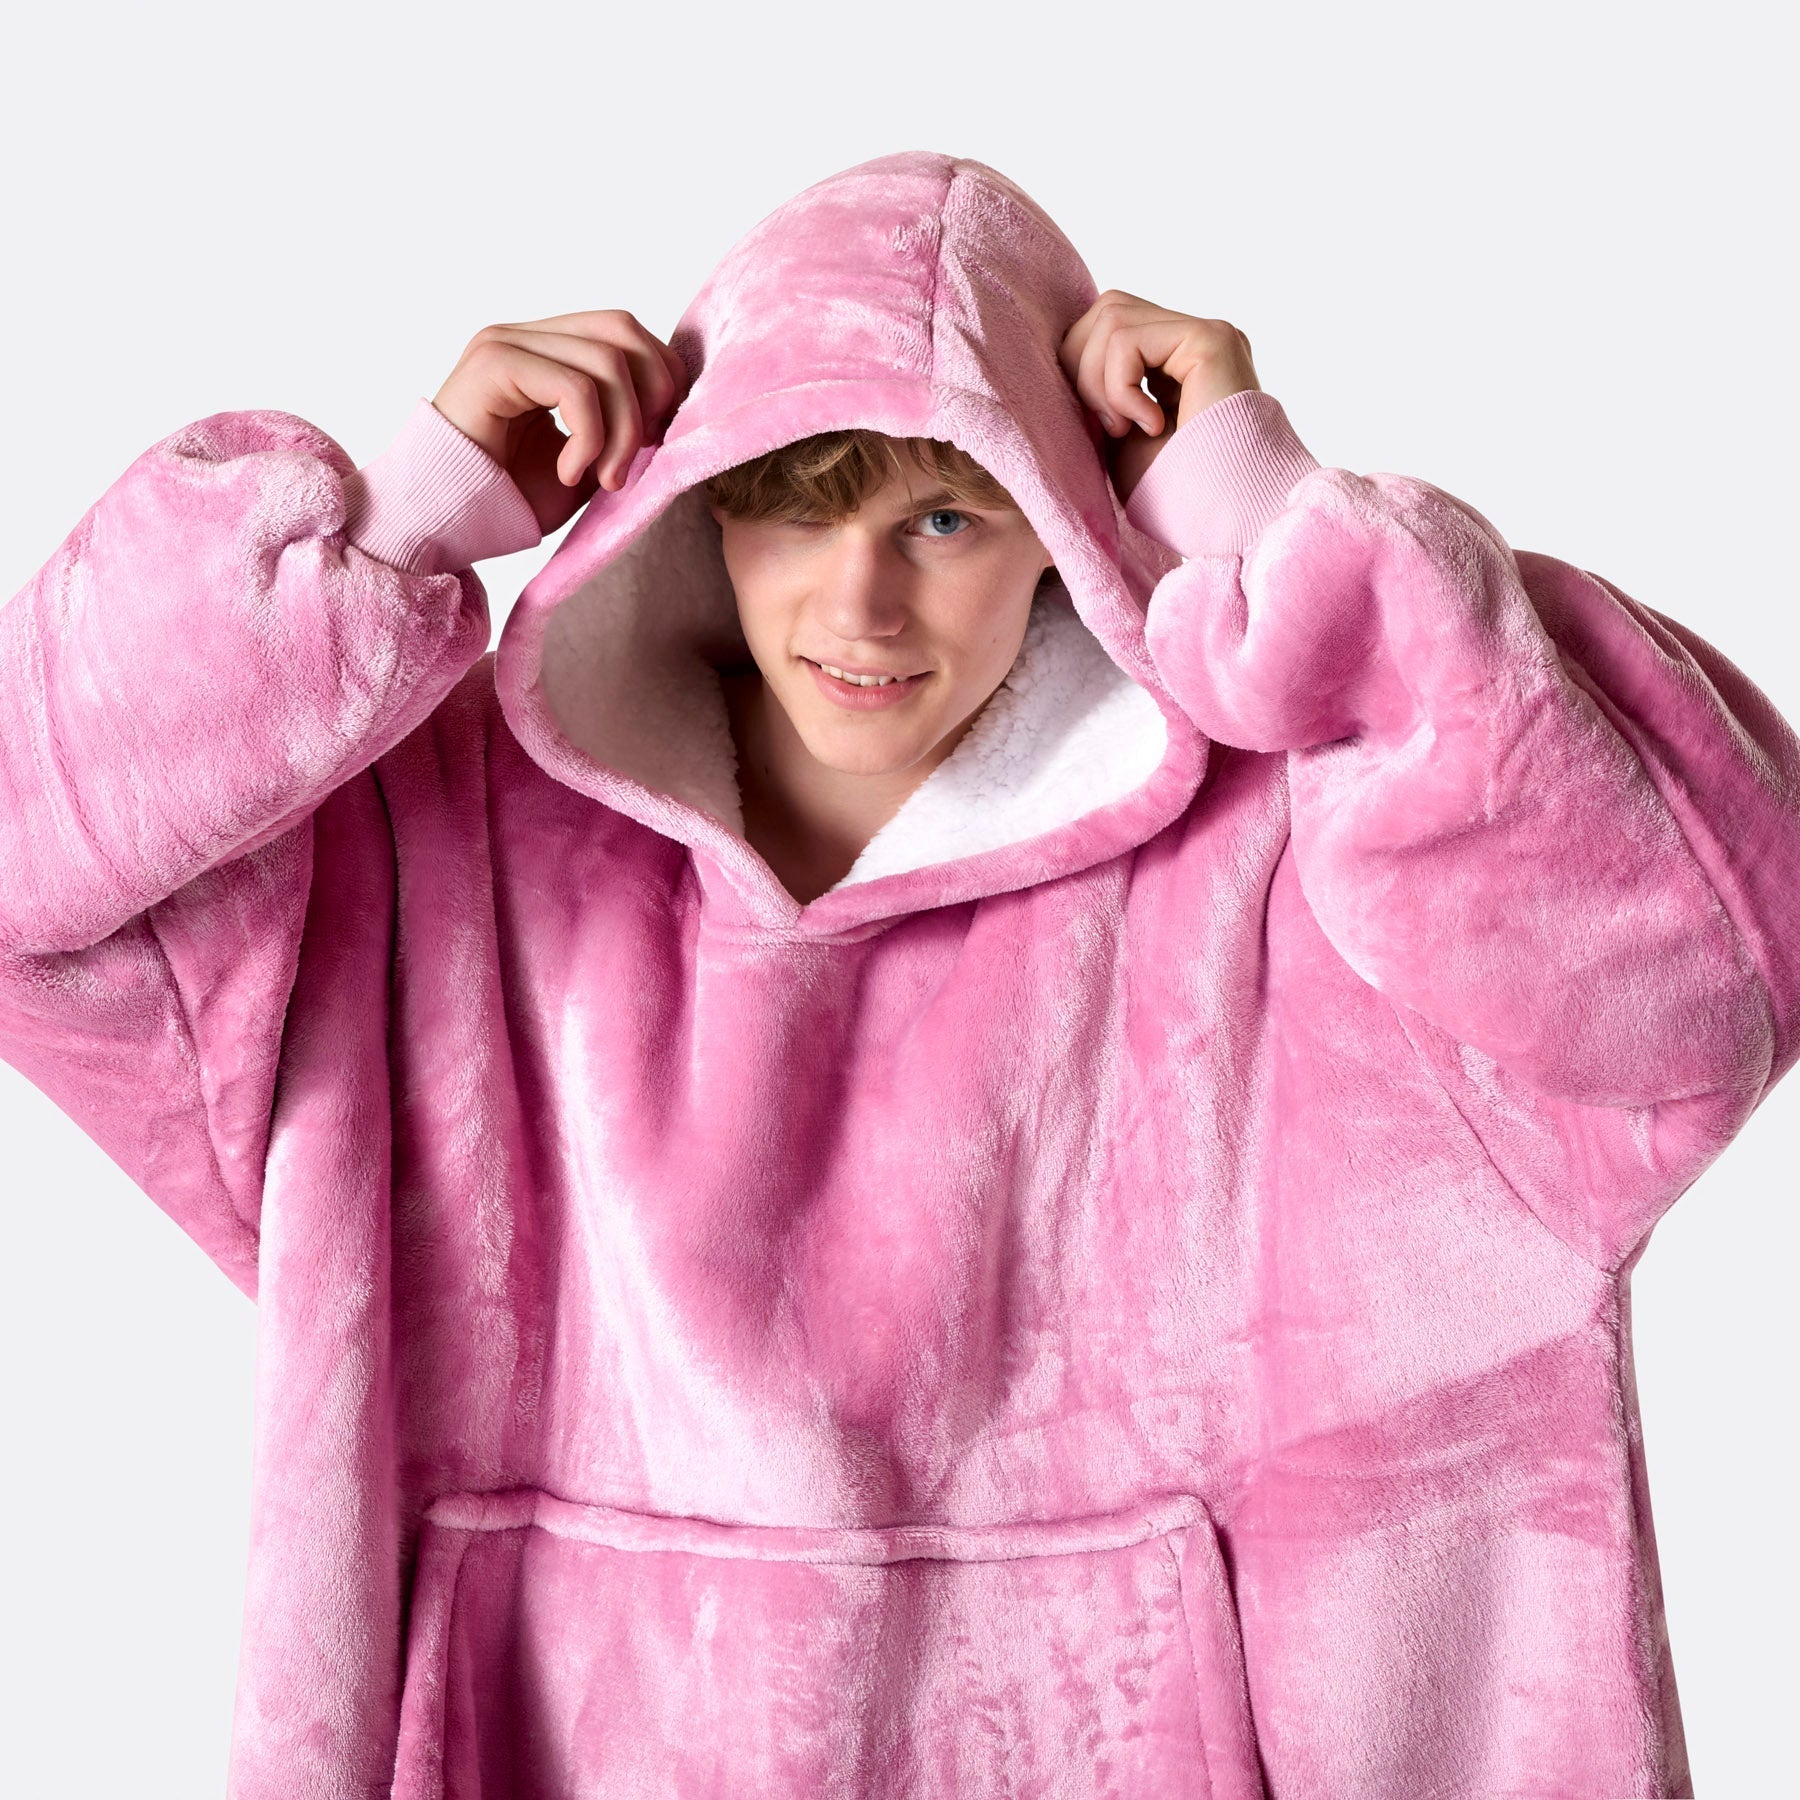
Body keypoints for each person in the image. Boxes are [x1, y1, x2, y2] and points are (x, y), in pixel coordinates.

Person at [0, 149, 1792, 1798]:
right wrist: (388, 526)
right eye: (796, 507)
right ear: (695, 506)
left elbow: (1709, 975)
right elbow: (33, 878)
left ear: (1069, 523)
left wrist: (1282, 526)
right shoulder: (431, 853)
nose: (858, 607)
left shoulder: (1291, 868)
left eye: (944, 520)